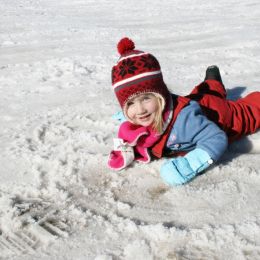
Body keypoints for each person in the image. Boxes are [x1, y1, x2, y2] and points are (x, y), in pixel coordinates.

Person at [108, 37, 260, 186]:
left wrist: (189, 165)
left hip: (221, 114)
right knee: (204, 94)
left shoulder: (184, 122)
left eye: (146, 98)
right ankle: (212, 82)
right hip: (199, 100)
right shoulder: (144, 116)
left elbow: (216, 138)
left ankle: (214, 86)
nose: (140, 110)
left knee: (250, 111)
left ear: (161, 95)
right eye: (131, 104)